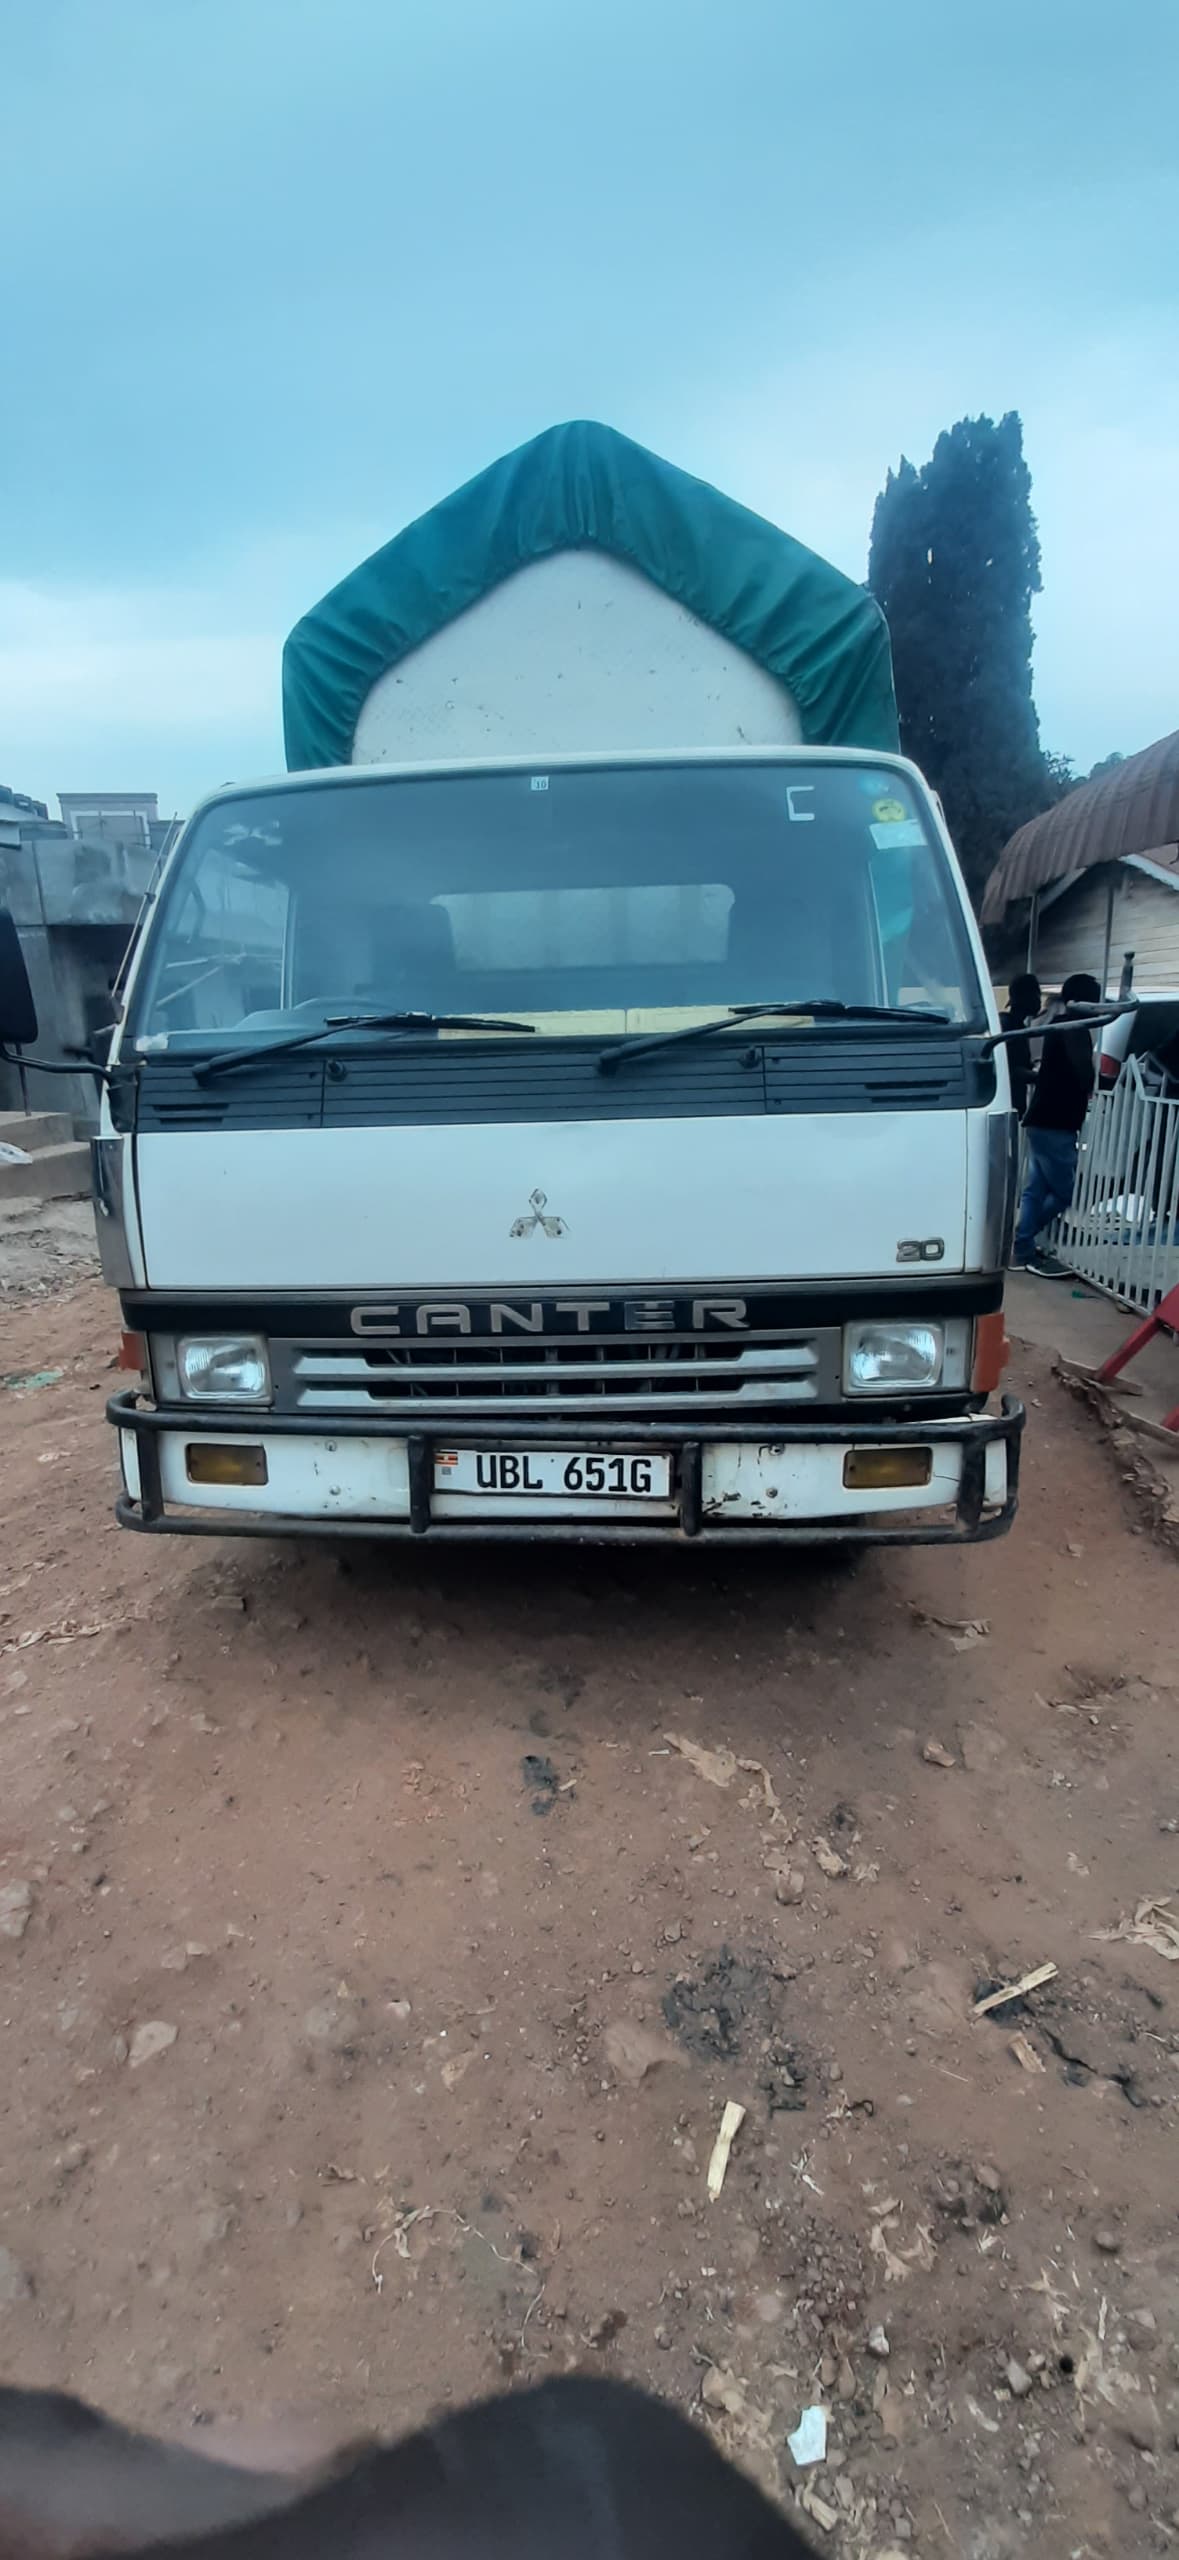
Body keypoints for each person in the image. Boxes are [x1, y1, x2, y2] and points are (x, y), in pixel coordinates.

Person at [1012, 971, 1101, 1277]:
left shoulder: (1059, 1025)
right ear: (1081, 1001)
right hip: (1055, 1122)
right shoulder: (1072, 1027)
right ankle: (1022, 1242)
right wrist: (1092, 1079)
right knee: (1063, 1192)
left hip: (1043, 1119)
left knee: (1036, 1190)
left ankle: (1022, 1247)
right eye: (1095, 999)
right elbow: (1083, 1072)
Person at [999, 971, 1041, 1121]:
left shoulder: (1018, 1026)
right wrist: (1042, 1077)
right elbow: (1008, 1069)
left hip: (1014, 1106)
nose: (1039, 999)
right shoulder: (1006, 1025)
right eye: (1036, 993)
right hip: (1004, 1104)